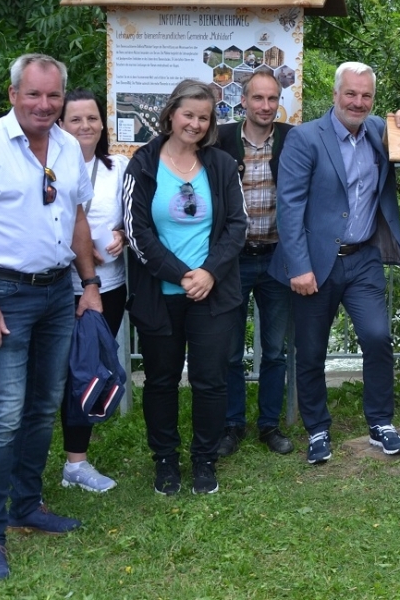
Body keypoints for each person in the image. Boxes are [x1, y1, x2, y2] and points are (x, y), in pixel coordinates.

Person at [0, 54, 102, 583]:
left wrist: (89, 284)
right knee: (3, 415)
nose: (44, 105)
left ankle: (27, 505)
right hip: (5, 294)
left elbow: (77, 214)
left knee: (41, 408)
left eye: (52, 95)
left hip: (59, 292)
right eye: (33, 95)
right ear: (13, 95)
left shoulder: (65, 145)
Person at [271, 62, 400, 462]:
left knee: (377, 337)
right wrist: (299, 266)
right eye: (350, 94)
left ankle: (381, 423)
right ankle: (317, 430)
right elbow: (289, 207)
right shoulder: (304, 139)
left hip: (363, 258)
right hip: (316, 263)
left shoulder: (377, 133)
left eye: (366, 95)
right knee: (312, 350)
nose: (358, 101)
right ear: (335, 95)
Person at [124, 79, 247, 497]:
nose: (194, 123)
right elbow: (136, 231)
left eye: (203, 117)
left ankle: (204, 460)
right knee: (161, 380)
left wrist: (209, 272)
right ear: (171, 114)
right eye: (188, 115)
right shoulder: (142, 163)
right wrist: (182, 275)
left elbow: (237, 226)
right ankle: (165, 460)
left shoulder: (222, 165)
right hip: (160, 294)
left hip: (213, 293)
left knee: (210, 381)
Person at [214, 70, 295, 456]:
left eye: (272, 99)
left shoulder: (292, 139)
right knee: (229, 350)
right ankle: (232, 425)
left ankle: (269, 425)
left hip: (278, 258)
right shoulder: (221, 138)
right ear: (242, 100)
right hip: (234, 261)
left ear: (280, 102)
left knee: (275, 350)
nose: (266, 106)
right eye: (258, 98)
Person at [57, 89, 129, 493]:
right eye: (76, 119)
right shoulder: (48, 166)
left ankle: (76, 463)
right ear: (61, 125)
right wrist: (79, 256)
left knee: (89, 373)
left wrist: (121, 235)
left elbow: (134, 217)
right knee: (57, 376)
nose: (85, 126)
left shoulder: (118, 167)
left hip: (109, 289)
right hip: (59, 289)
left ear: (103, 124)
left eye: (92, 119)